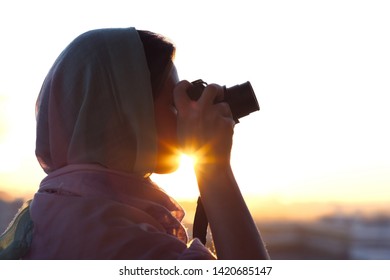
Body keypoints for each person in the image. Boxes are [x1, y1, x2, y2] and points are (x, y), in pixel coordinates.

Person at [0, 27, 269, 260]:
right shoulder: (113, 239)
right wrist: (215, 167)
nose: (185, 115)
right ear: (125, 114)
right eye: (173, 104)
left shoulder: (52, 211)